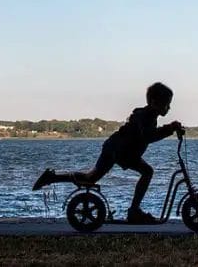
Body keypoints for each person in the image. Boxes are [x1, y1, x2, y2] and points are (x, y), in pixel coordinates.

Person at [32, 82, 182, 224]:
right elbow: (148, 136)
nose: (169, 107)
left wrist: (170, 129)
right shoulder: (144, 116)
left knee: (90, 178)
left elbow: (149, 134)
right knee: (147, 172)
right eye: (166, 103)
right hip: (121, 150)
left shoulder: (148, 115)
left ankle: (52, 177)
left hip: (116, 147)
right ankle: (134, 211)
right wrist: (169, 129)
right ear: (155, 102)